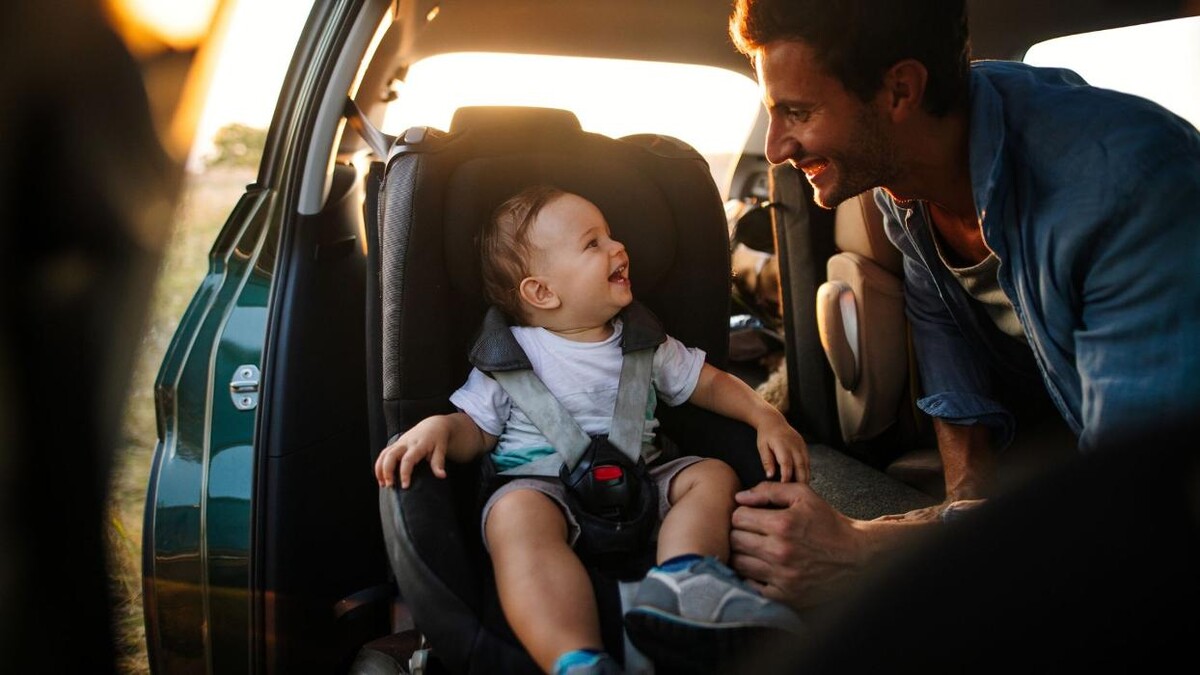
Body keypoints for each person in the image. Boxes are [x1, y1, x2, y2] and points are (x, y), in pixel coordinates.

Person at [725, 0, 1200, 609]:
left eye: (797, 111)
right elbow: (940, 325)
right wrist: (963, 501)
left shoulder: (1125, 187)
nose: (774, 148)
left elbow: (1132, 501)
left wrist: (863, 550)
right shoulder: (904, 174)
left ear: (901, 90)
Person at [374, 186, 807, 674]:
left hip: (646, 479)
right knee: (513, 517)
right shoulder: (512, 355)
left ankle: (685, 580)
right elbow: (476, 428)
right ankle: (574, 657)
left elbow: (709, 384)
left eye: (611, 236)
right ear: (542, 291)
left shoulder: (645, 340)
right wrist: (435, 429)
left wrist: (765, 415)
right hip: (541, 487)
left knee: (712, 476)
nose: (617, 248)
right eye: (592, 244)